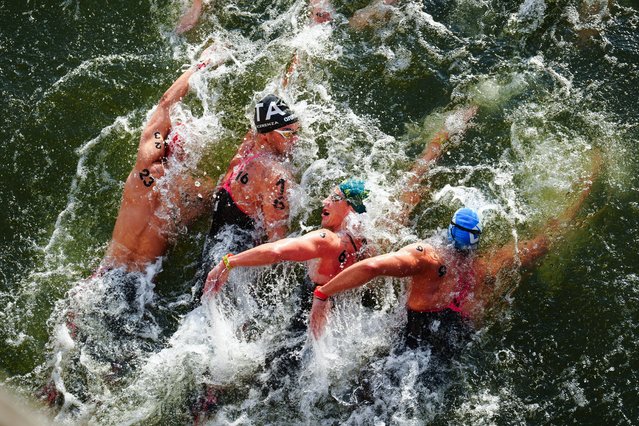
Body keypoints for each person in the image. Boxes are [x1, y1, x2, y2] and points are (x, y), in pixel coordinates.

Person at [309, 155, 601, 360]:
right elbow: (544, 240)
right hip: (450, 352)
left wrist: (324, 293)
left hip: (408, 353)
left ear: (448, 231)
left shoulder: (428, 258)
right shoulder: (490, 265)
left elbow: (372, 266)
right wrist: (586, 194)